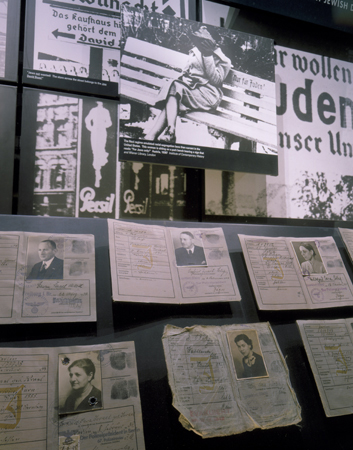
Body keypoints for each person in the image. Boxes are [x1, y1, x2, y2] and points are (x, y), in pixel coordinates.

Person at [144, 26, 231, 143]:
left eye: (204, 40)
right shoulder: (195, 51)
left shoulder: (224, 60)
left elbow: (216, 80)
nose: (200, 43)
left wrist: (208, 55)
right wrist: (185, 79)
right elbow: (187, 71)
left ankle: (160, 134)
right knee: (173, 92)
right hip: (192, 90)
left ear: (213, 42)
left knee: (173, 95)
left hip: (208, 95)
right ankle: (163, 133)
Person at [85, 101, 112, 188]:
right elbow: (87, 119)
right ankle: (97, 173)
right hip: (95, 132)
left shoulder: (106, 111)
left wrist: (103, 125)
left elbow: (109, 123)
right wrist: (91, 128)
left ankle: (98, 171)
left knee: (100, 150)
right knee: (95, 152)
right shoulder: (93, 110)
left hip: (102, 132)